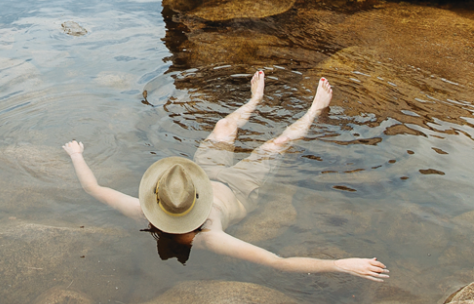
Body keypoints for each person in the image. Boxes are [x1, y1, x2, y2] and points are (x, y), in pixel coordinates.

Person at [63, 71, 389, 281]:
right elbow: (277, 261)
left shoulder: (146, 210)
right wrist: (340, 264)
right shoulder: (210, 238)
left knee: (224, 127)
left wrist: (77, 156)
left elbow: (94, 189)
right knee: (277, 143)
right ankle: (314, 110)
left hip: (202, 175)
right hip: (241, 187)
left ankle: (254, 101)